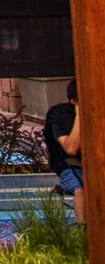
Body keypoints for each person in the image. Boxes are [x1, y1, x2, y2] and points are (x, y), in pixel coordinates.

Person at [45, 78, 83, 223]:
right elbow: (71, 149)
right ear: (74, 101)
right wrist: (80, 115)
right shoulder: (60, 114)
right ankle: (82, 232)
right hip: (71, 168)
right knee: (81, 190)